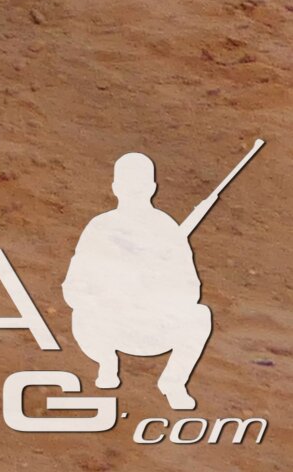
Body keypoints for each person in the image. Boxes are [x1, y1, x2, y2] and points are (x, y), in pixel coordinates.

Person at [64, 149, 220, 411]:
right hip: (108, 328)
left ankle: (173, 383)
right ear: (116, 188)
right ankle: (106, 362)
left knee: (200, 315)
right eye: (129, 186)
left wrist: (158, 283)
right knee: (81, 314)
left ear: (151, 188)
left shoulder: (167, 229)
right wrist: (113, 290)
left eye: (138, 186)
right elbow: (73, 289)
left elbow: (191, 291)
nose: (134, 192)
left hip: (153, 329)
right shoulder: (100, 227)